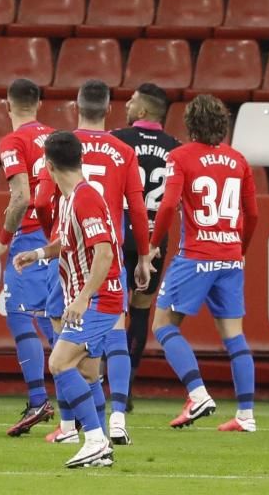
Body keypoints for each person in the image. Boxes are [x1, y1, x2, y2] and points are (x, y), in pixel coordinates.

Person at [38, 80, 152, 446]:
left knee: (62, 350)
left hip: (86, 265)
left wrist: (54, 238)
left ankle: (74, 429)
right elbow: (137, 208)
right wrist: (145, 253)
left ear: (76, 106)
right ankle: (114, 421)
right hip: (110, 254)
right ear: (108, 110)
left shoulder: (61, 148)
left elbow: (41, 200)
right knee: (103, 349)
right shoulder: (122, 150)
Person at [14, 131, 124, 469]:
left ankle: (93, 439)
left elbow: (104, 254)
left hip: (99, 299)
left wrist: (81, 299)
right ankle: (100, 445)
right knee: (88, 373)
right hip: (94, 297)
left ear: (48, 165)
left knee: (59, 363)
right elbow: (67, 240)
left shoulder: (85, 198)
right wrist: (38, 253)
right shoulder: (70, 199)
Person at [150, 95, 260, 432]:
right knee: (234, 336)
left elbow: (168, 206)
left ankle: (197, 393)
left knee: (164, 325)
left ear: (191, 124)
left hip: (196, 255)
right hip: (230, 256)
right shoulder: (238, 160)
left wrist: (153, 244)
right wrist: (241, 248)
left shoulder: (180, 156)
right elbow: (252, 213)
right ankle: (246, 415)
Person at [0, 79, 56, 437]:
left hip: (28, 237)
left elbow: (22, 196)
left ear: (7, 106)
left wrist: (2, 241)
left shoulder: (13, 142)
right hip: (57, 237)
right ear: (39, 104)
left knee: (20, 316)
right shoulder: (58, 138)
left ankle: (39, 399)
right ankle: (80, 401)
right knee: (52, 318)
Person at [111, 83, 181, 412]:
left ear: (142, 111)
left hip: (118, 233)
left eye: (132, 100)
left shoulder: (116, 140)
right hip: (155, 238)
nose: (126, 104)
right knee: (140, 310)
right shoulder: (176, 148)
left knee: (108, 310)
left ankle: (100, 380)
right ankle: (126, 389)